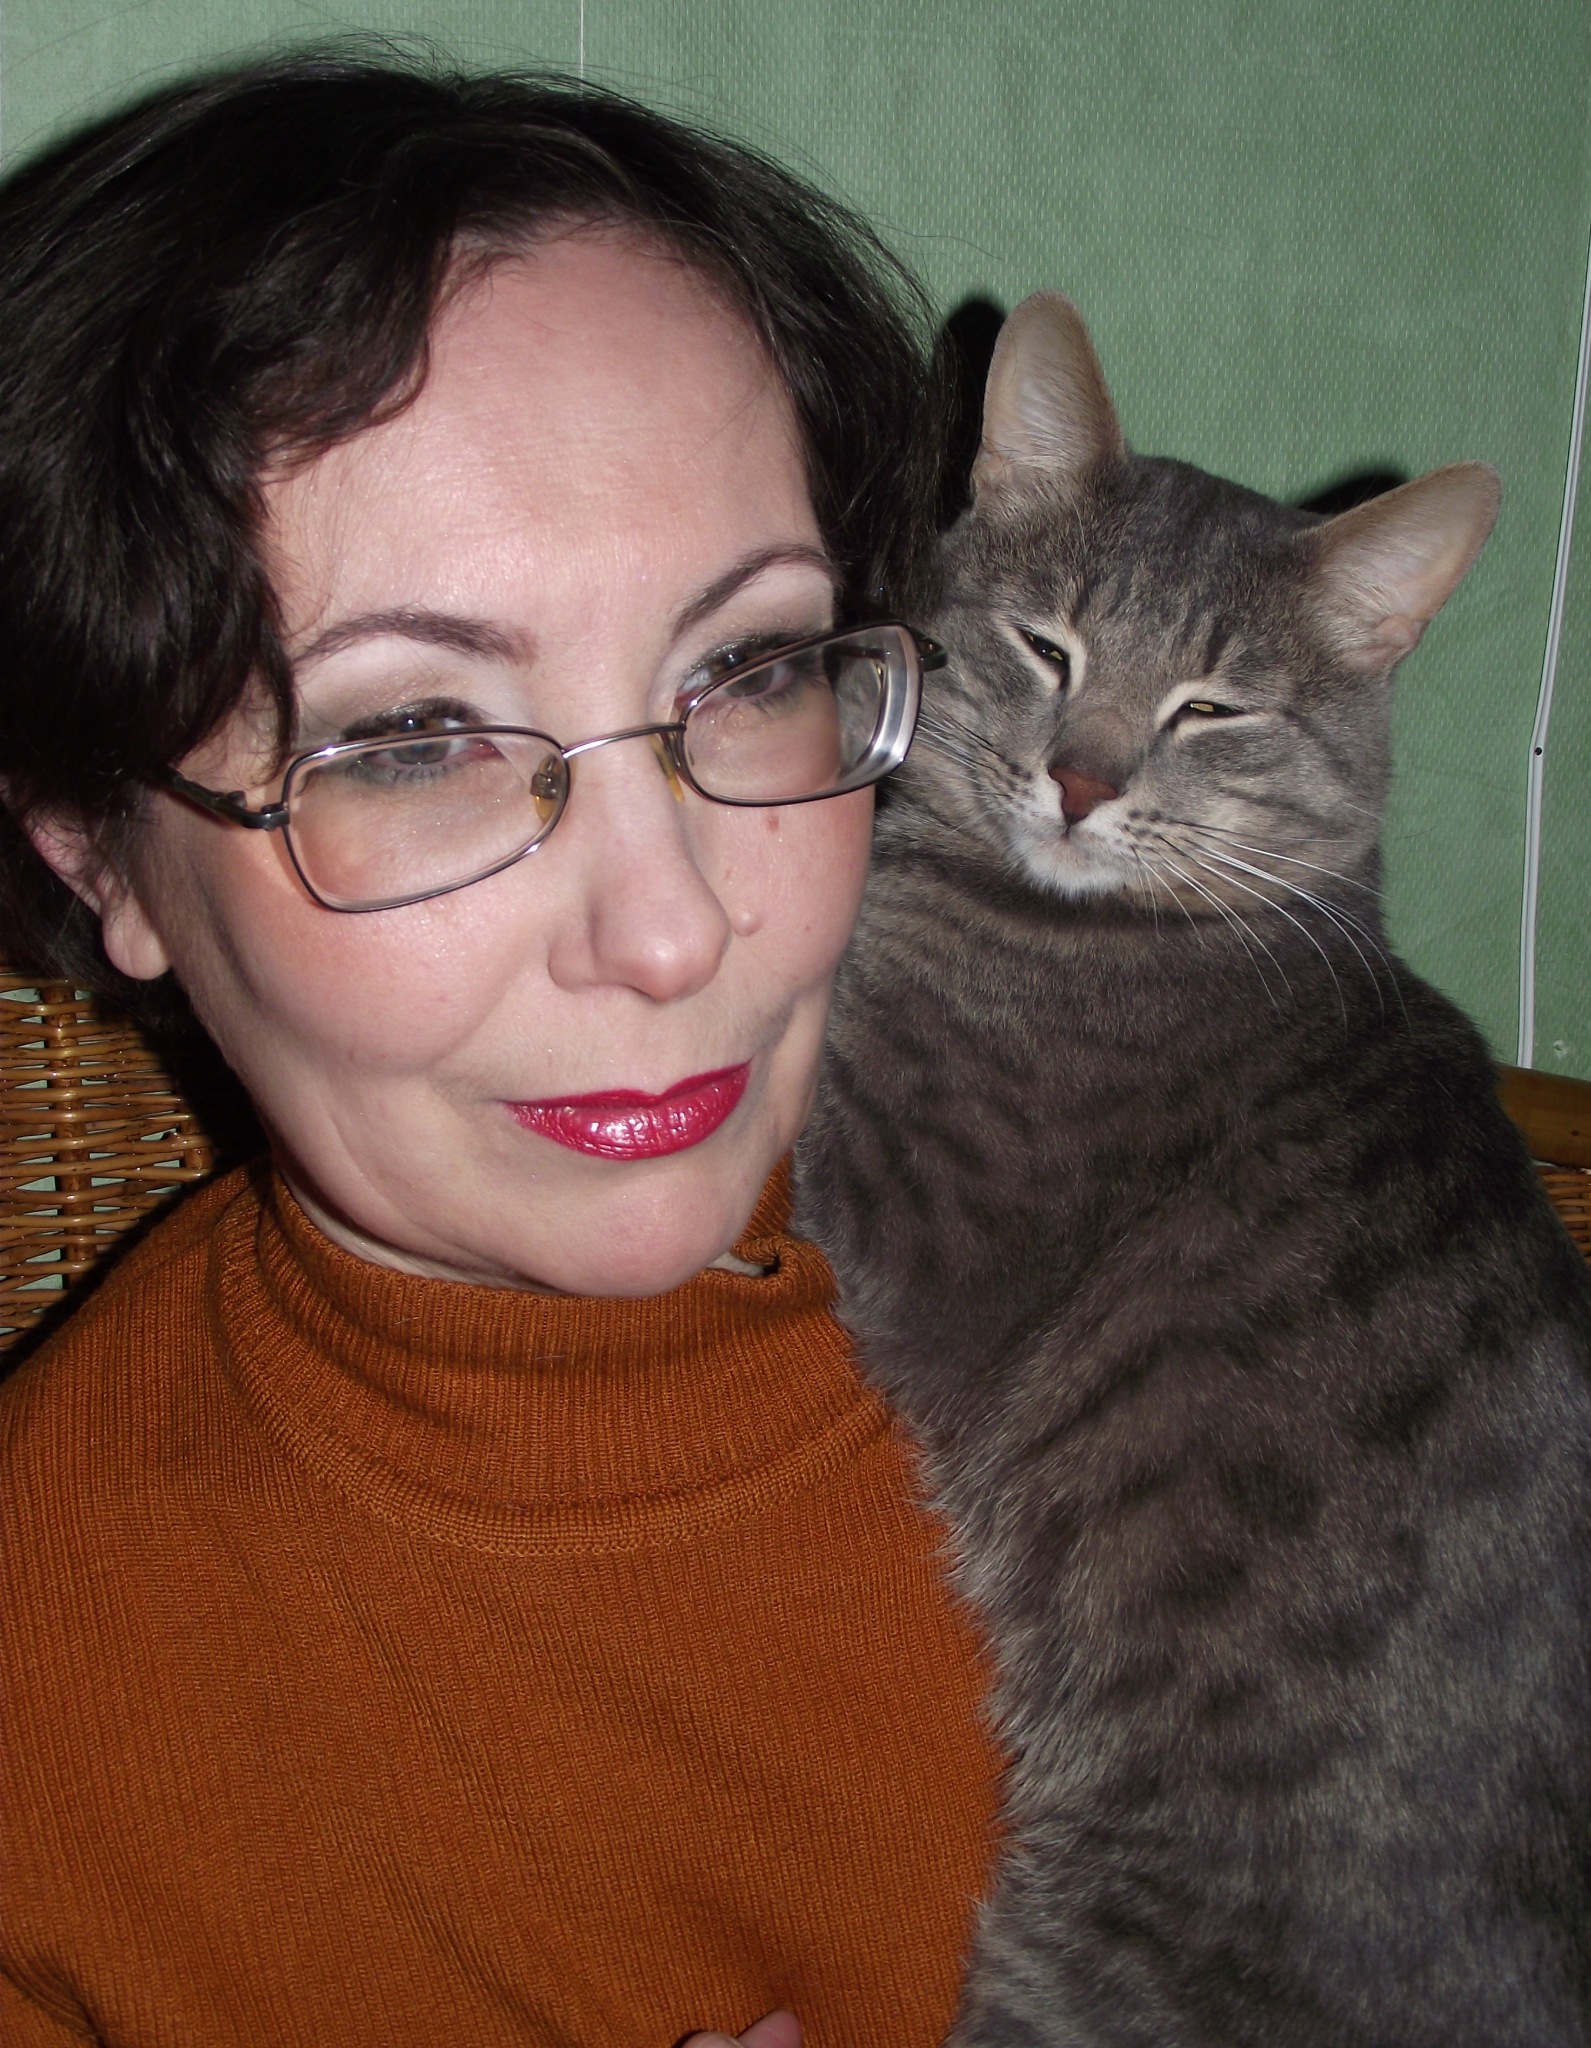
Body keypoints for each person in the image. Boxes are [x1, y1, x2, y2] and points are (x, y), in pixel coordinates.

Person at [0, 51, 1001, 2048]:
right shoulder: (50, 1686)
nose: (671, 928)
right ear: (99, 847)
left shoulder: (1276, 1333)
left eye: (750, 668)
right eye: (412, 739)